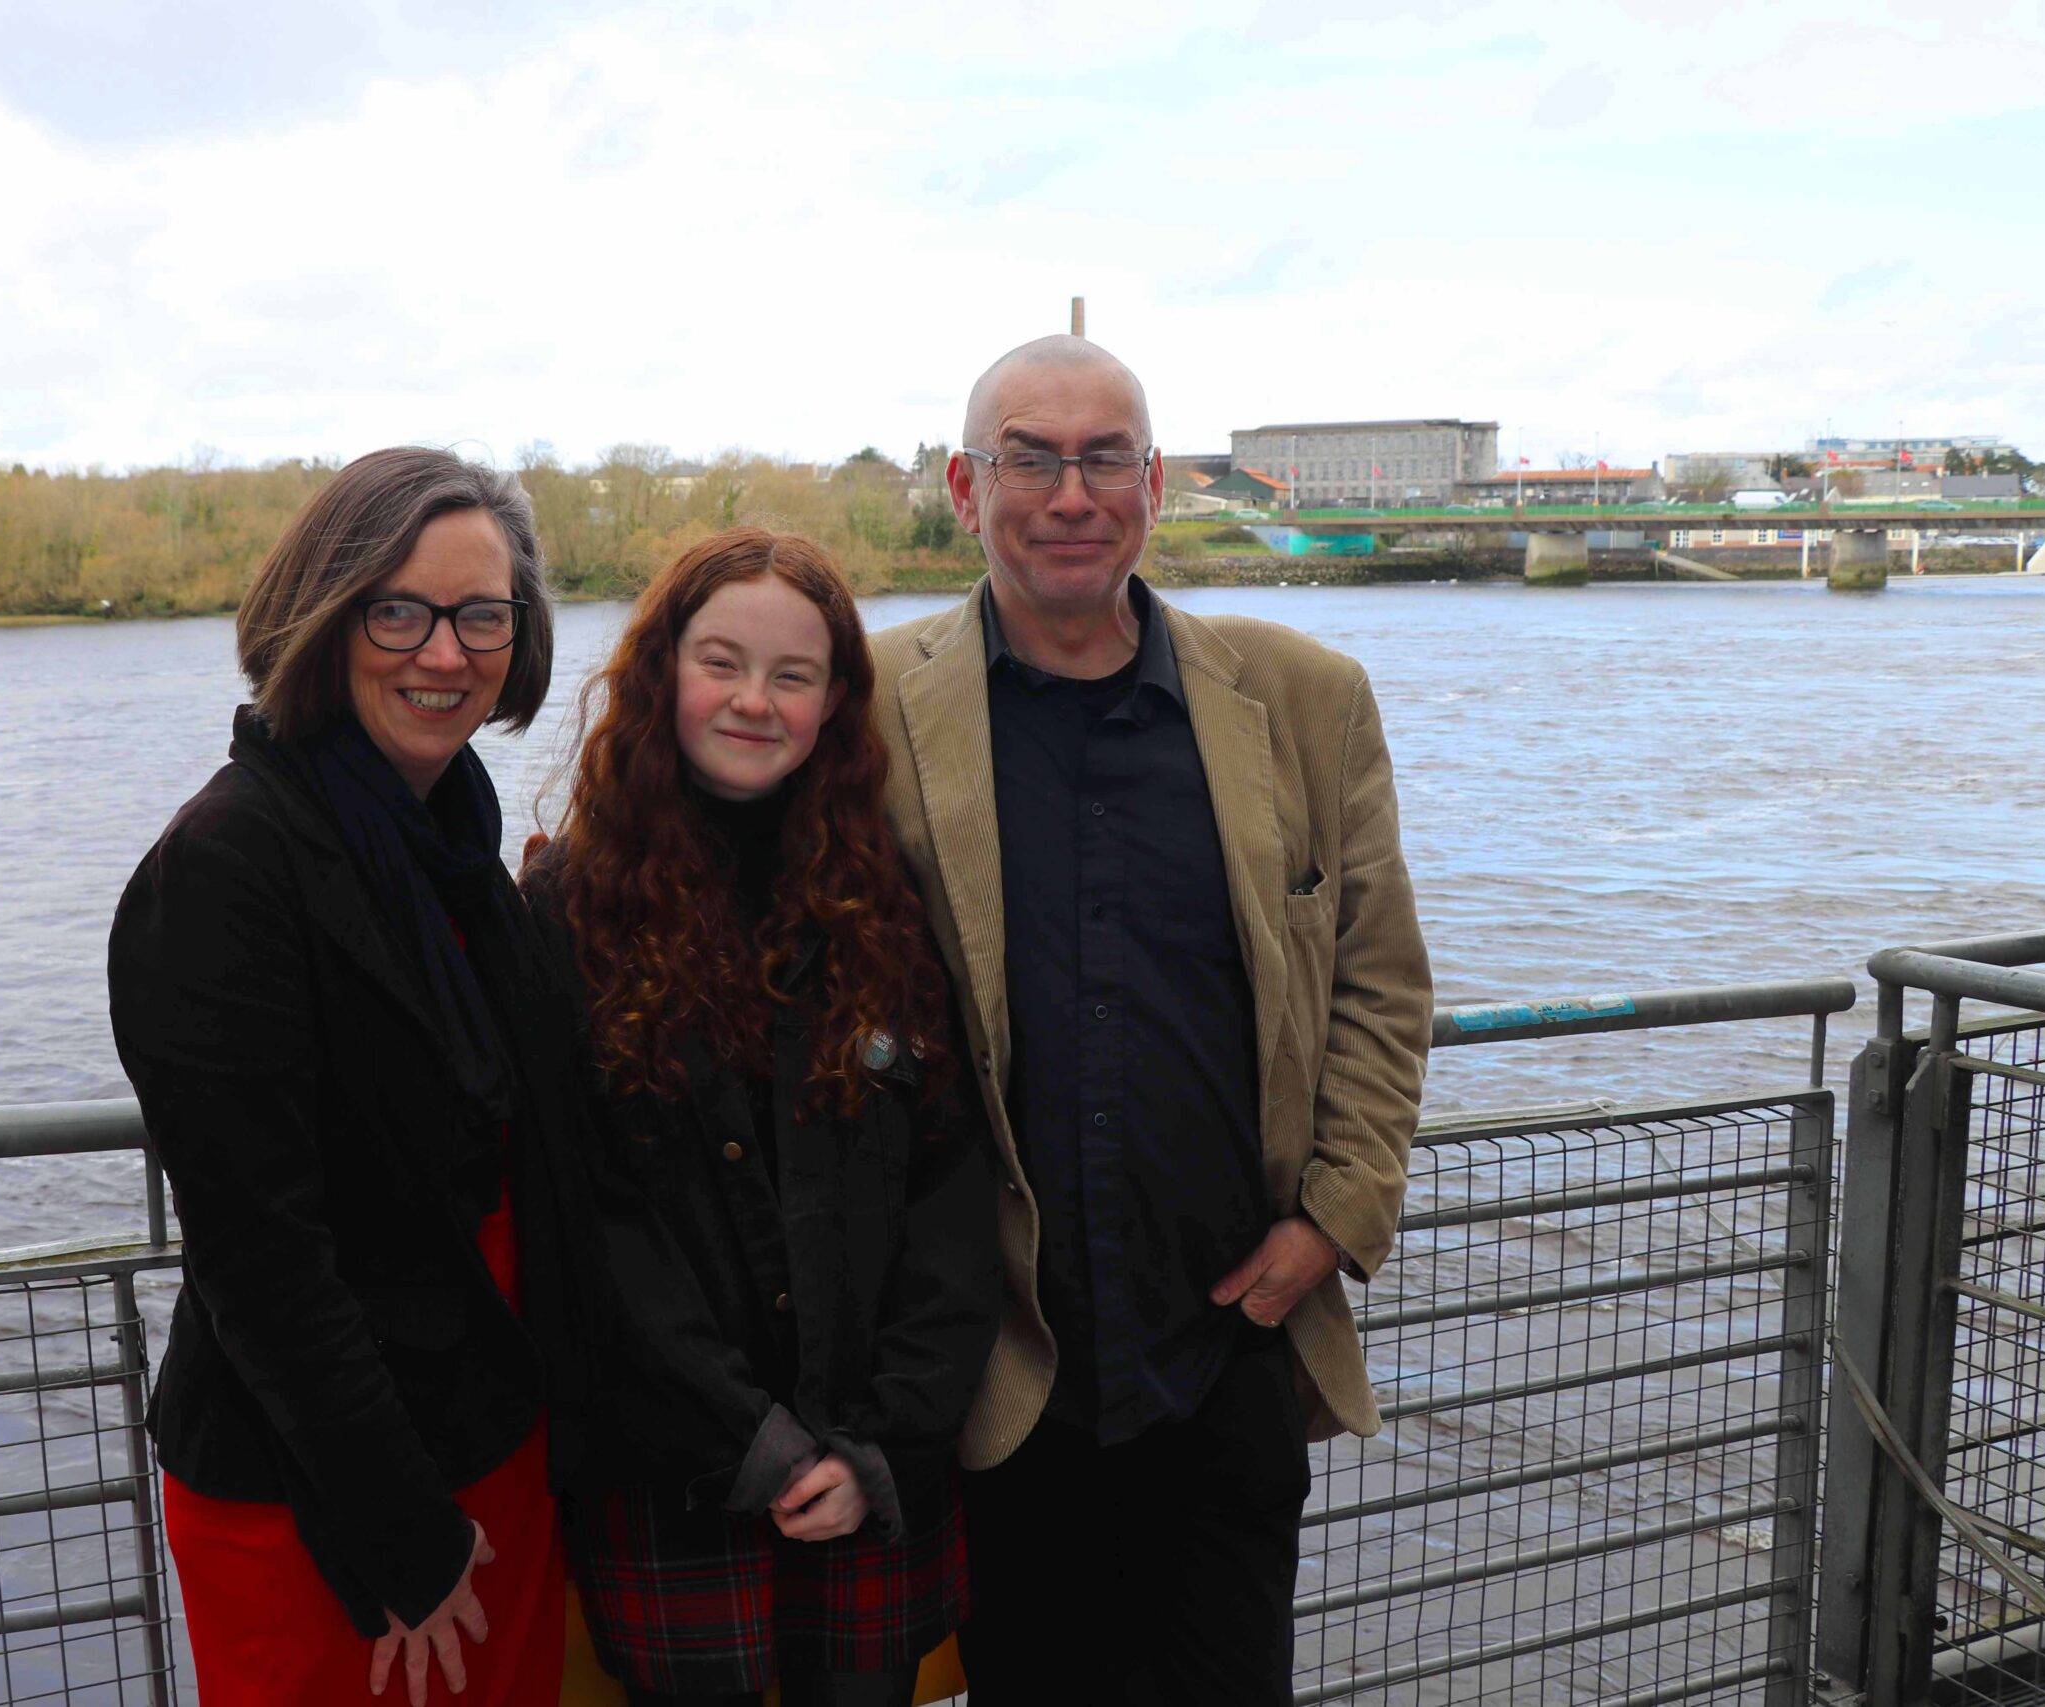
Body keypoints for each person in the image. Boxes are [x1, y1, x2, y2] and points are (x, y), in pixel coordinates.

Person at [867, 338, 1433, 1704]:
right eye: (1030, 455)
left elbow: (1381, 980)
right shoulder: (870, 705)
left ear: (1155, 483)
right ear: (963, 483)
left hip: (1227, 1351)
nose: (1071, 492)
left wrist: (1333, 1220)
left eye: (1105, 456)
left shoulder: (1305, 699)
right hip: (1003, 1373)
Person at [108, 447, 591, 1707]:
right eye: (399, 610)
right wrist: (401, 1538)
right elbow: (260, 1255)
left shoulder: (459, 844)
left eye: (482, 614)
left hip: (493, 1436)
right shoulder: (224, 870)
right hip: (328, 1497)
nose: (445, 653)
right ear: (323, 616)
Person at [522, 527, 1000, 1707]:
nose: (753, 700)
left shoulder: (883, 901)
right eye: (719, 662)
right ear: (660, 674)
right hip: (674, 1471)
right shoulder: (565, 910)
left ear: (836, 702)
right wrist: (750, 1438)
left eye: (792, 676)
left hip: (871, 1461)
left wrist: (877, 1440)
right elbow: (591, 1220)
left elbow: (951, 1189)